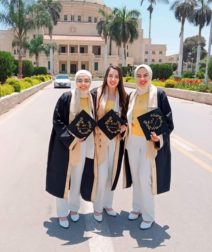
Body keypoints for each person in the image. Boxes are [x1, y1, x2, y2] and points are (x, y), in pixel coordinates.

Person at [126, 64, 174, 230]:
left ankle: (148, 215)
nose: (142, 79)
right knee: (135, 176)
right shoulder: (132, 95)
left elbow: (168, 121)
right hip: (132, 141)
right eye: (139, 75)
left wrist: (158, 137)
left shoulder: (158, 94)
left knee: (145, 178)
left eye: (145, 75)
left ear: (150, 76)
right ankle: (137, 208)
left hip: (148, 143)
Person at [46, 70, 95, 228]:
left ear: (90, 82)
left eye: (86, 80)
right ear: (75, 81)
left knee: (77, 178)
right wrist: (71, 137)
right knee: (64, 179)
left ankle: (74, 210)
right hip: (66, 146)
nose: (83, 83)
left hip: (84, 146)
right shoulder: (66, 97)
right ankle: (62, 213)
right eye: (80, 80)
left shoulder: (92, 99)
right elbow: (57, 120)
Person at [91, 65, 128, 222]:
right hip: (100, 141)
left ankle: (108, 204)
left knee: (112, 173)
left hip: (116, 142)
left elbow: (126, 117)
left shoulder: (124, 97)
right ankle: (98, 207)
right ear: (106, 77)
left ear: (119, 79)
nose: (113, 79)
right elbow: (90, 114)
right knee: (101, 174)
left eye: (116, 77)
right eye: (110, 76)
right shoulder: (96, 94)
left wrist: (124, 125)